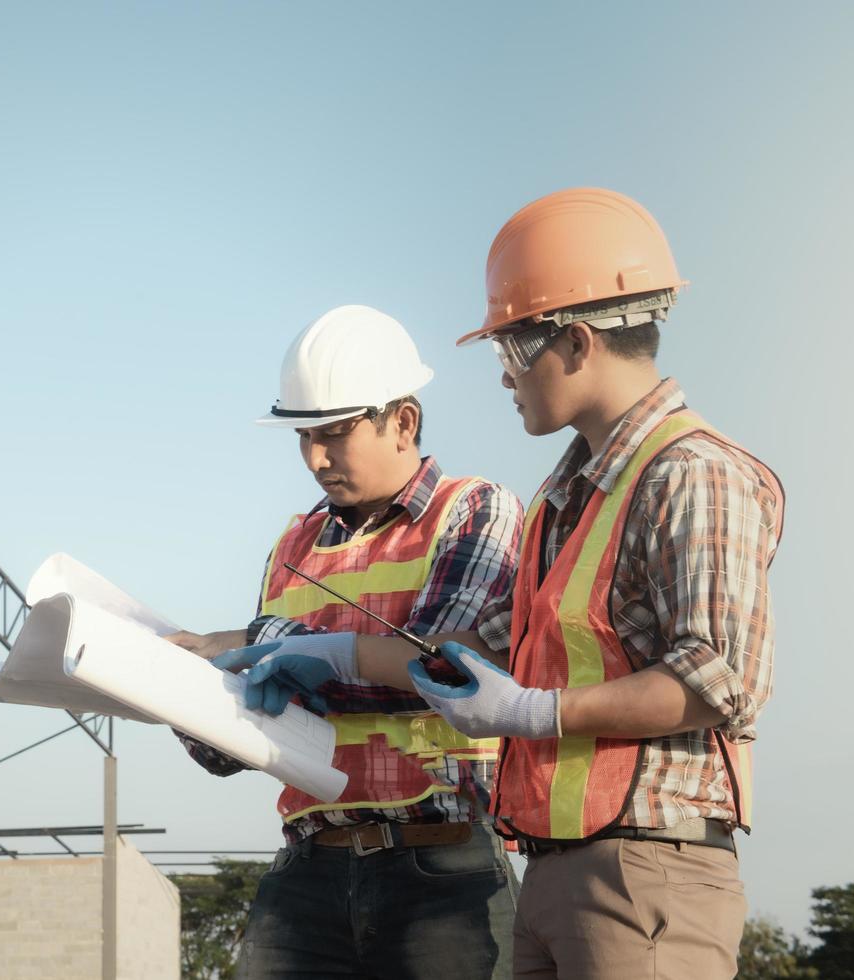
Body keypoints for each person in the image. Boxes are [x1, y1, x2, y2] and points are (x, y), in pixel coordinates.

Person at [401, 188, 786, 979]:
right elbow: (506, 641)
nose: (505, 377)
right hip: (554, 870)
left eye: (511, 350)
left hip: (645, 875)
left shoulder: (694, 474)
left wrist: (528, 712)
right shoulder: (568, 494)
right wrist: (336, 657)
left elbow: (718, 679)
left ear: (575, 343)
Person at [169, 304, 523, 979]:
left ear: (405, 421)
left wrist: (261, 641)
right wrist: (174, 687)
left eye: (333, 434)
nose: (314, 458)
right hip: (309, 864)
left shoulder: (474, 511)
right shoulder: (290, 547)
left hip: (439, 862)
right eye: (302, 437)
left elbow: (444, 667)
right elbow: (243, 738)